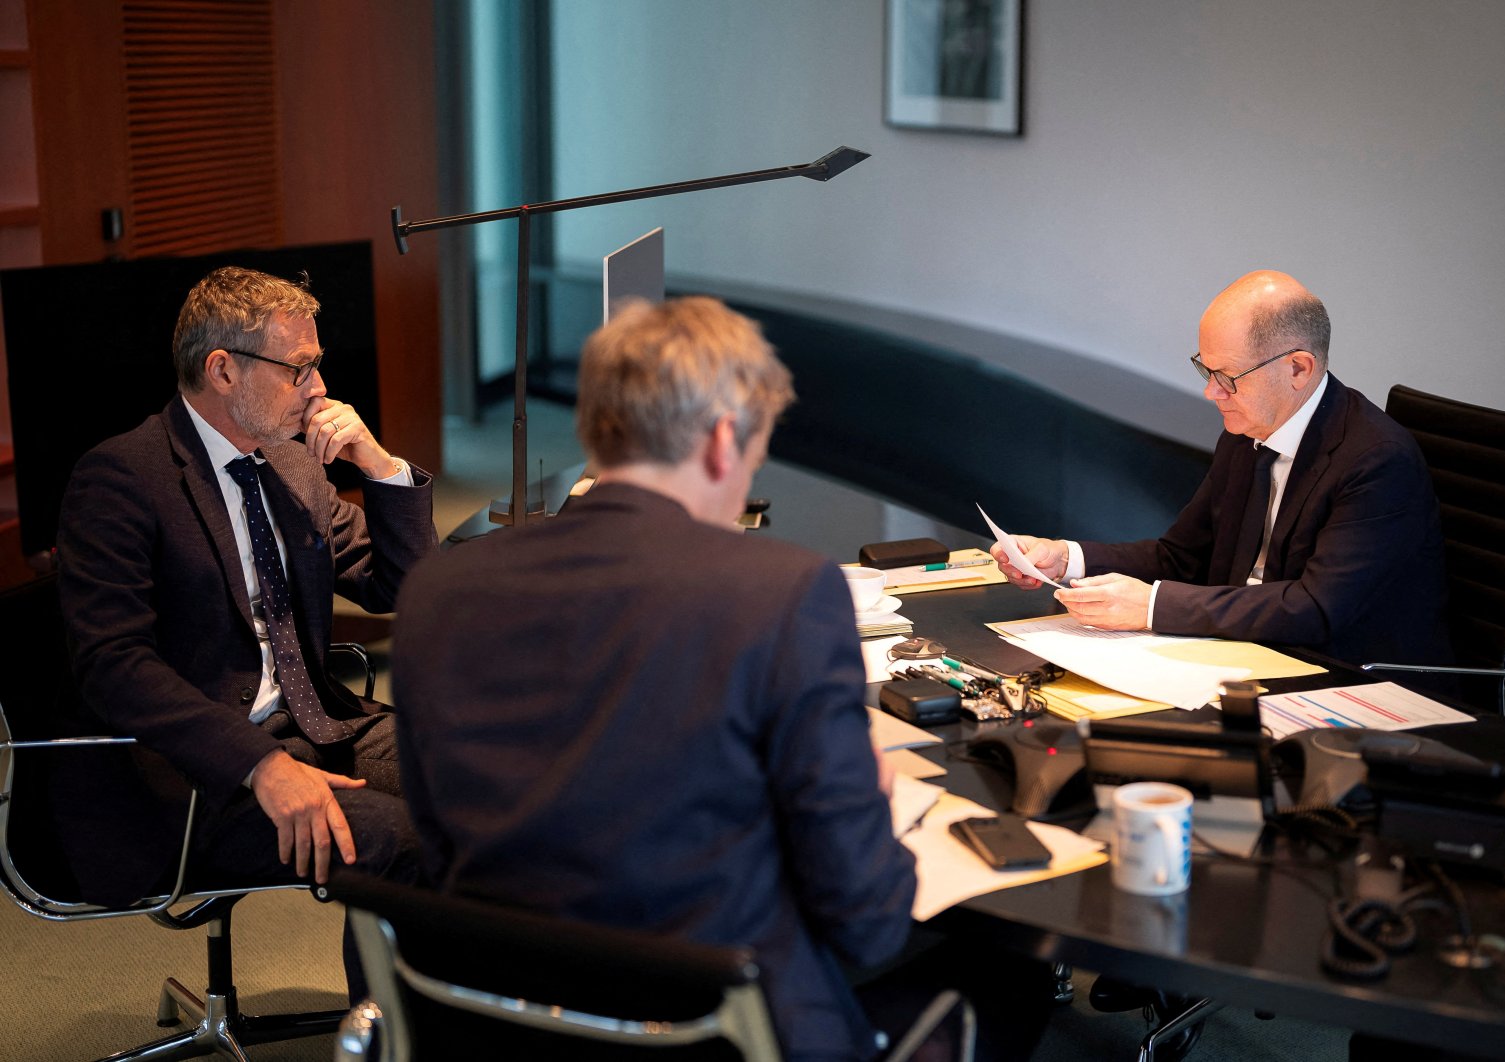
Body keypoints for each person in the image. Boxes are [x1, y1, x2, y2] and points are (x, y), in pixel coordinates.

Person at [391, 296, 919, 1061]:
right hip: (713, 1032)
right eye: (755, 457)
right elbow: (867, 918)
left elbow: (441, 847)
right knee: (999, 985)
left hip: (500, 1020)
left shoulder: (438, 590)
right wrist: (872, 801)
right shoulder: (784, 592)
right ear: (721, 439)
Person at [55, 266, 435, 937]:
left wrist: (378, 464)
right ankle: (385, 1036)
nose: (319, 389)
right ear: (223, 370)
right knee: (402, 841)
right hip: (202, 772)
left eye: (318, 365)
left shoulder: (292, 464)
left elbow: (399, 585)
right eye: (299, 368)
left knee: (484, 785)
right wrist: (259, 764)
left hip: (320, 724)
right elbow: (114, 665)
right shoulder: (121, 477)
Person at [996, 269, 1450, 667]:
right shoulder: (1246, 432)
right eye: (1205, 370)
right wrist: (1067, 559)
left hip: (1346, 678)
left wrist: (1152, 606)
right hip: (1246, 653)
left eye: (1227, 377)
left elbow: (1317, 608)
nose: (1212, 393)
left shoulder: (1376, 459)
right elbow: (1182, 557)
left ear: (1298, 368)